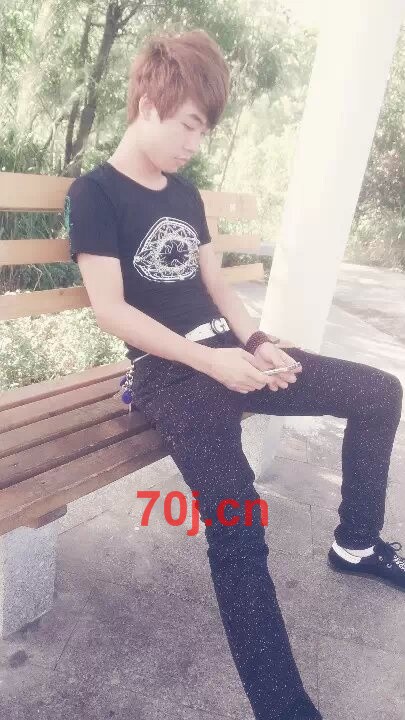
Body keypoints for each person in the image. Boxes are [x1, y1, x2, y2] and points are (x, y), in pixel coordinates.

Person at [64, 28, 404, 720]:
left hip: (232, 354)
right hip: (170, 376)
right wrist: (209, 361)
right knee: (239, 521)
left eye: (205, 130)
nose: (195, 142)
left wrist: (257, 341)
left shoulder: (185, 195)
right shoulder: (95, 193)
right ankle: (282, 706)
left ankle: (355, 542)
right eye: (189, 124)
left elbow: (217, 285)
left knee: (379, 392)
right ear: (148, 102)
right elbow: (110, 311)